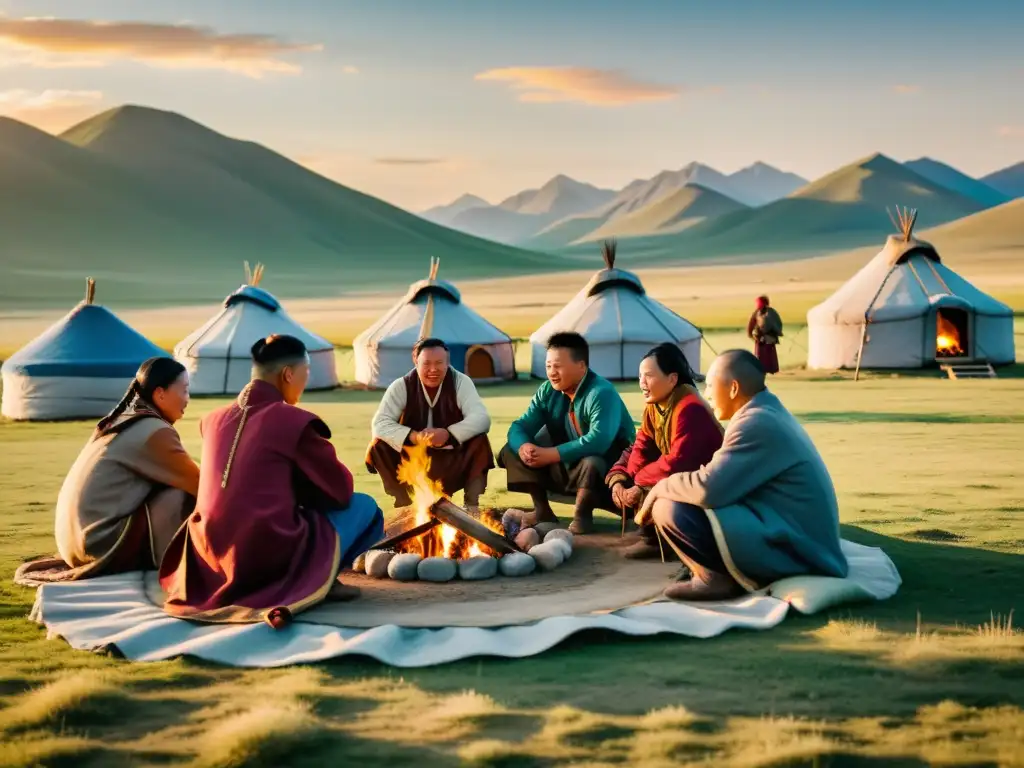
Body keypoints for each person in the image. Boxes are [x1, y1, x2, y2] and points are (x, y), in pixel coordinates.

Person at [159, 334, 384, 626]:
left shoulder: (212, 419)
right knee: (365, 507)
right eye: (306, 372)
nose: (306, 380)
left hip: (209, 555)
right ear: (288, 374)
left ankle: (319, 578)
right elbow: (340, 492)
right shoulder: (293, 421)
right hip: (263, 551)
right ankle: (318, 580)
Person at [635, 349, 848, 601]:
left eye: (711, 386)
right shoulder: (763, 411)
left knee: (668, 508)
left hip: (797, 547)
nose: (706, 394)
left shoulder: (755, 423)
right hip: (792, 528)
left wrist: (660, 488)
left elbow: (708, 488)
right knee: (678, 496)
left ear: (733, 389)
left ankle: (713, 579)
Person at [16, 357, 200, 585]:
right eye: (184, 391)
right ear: (160, 393)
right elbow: (200, 484)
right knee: (179, 496)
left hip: (74, 545)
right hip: (99, 545)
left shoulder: (126, 424)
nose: (187, 399)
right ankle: (178, 563)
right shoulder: (154, 431)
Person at [498, 332, 635, 534]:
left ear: (581, 366)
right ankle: (542, 511)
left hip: (611, 473)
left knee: (592, 461)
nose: (552, 372)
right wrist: (524, 447)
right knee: (511, 450)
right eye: (548, 366)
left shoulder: (601, 392)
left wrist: (550, 454)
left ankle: (582, 516)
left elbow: (599, 441)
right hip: (567, 466)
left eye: (558, 366)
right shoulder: (547, 391)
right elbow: (520, 426)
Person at [605, 343, 724, 559]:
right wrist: (626, 480)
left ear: (672, 379)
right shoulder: (655, 404)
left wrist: (639, 483)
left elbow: (678, 461)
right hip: (679, 475)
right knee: (633, 474)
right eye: (640, 376)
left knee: (653, 482)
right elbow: (642, 444)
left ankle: (665, 542)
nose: (642, 382)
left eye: (649, 376)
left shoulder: (690, 408)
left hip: (708, 482)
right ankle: (651, 536)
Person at [365, 337, 494, 510]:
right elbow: (379, 424)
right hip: (413, 460)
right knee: (378, 446)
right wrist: (414, 436)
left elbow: (481, 418)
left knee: (480, 441)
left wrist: (449, 434)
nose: (433, 370)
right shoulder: (401, 386)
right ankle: (403, 505)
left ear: (447, 362)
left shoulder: (461, 382)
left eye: (439, 363)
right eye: (426, 363)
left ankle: (471, 506)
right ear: (415, 360)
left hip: (451, 457)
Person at [747, 295, 783, 374]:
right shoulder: (758, 312)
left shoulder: (771, 313)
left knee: (768, 354)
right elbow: (751, 323)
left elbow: (774, 324)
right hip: (760, 338)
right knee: (761, 354)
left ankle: (770, 369)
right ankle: (763, 369)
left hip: (769, 337)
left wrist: (776, 332)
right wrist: (751, 333)